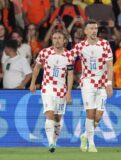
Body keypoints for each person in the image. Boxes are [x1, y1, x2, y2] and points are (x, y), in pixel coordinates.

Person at [70, 19, 113, 152]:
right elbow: (69, 59)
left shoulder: (105, 44)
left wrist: (109, 83)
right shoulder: (80, 46)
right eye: (91, 28)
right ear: (86, 31)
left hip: (102, 82)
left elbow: (110, 65)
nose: (94, 31)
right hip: (87, 82)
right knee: (90, 112)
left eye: (95, 28)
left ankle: (84, 136)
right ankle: (91, 144)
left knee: (98, 116)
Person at [29, 30, 74, 153]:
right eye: (54, 38)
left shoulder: (69, 55)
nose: (57, 40)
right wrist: (32, 83)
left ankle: (54, 139)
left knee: (58, 118)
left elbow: (70, 75)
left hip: (61, 90)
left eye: (60, 38)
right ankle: (50, 143)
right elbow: (37, 67)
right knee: (49, 114)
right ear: (52, 40)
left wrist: (68, 92)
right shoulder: (45, 52)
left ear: (64, 40)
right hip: (47, 87)